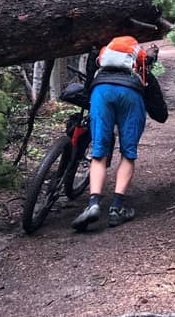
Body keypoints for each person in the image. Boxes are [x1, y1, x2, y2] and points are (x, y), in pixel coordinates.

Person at [72, 37, 168, 230]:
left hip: (101, 91)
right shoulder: (140, 68)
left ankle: (93, 204)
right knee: (128, 153)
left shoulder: (100, 61)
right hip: (131, 94)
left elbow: (88, 86)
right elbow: (161, 114)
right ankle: (116, 209)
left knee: (99, 153)